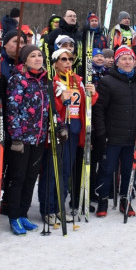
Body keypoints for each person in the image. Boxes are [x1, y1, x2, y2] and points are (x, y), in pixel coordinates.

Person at [92, 46, 136, 217]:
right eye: (123, 59)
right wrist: (102, 134)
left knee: (128, 170)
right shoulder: (107, 81)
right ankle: (103, 200)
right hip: (112, 135)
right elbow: (99, 110)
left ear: (135, 61)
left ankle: (126, 199)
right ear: (117, 62)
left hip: (134, 135)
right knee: (106, 169)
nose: (127, 62)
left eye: (130, 59)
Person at [40, 48, 96, 225]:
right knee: (52, 170)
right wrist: (58, 98)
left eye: (70, 59)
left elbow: (87, 104)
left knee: (65, 172)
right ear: (55, 63)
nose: (68, 62)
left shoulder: (77, 80)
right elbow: (50, 107)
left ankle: (59, 208)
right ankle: (48, 209)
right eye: (63, 59)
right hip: (59, 131)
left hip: (74, 132)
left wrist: (93, 93)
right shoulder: (52, 81)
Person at [4, 45, 48, 235]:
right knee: (18, 177)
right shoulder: (18, 79)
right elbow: (12, 110)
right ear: (25, 59)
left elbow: (49, 108)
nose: (38, 58)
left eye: (39, 55)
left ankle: (23, 214)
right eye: (33, 56)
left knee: (31, 178)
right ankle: (14, 216)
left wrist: (59, 125)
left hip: (38, 138)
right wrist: (15, 137)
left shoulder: (43, 80)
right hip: (21, 139)